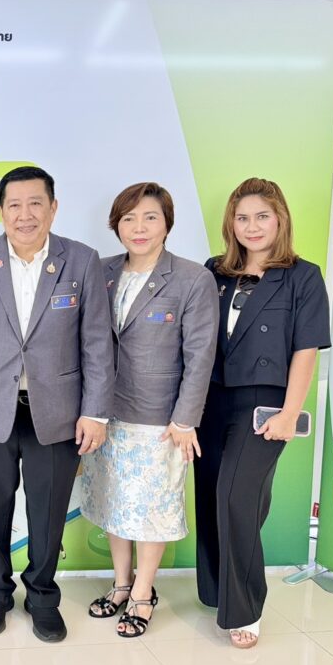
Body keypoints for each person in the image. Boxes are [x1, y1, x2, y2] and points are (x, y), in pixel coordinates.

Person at [0, 166, 114, 641]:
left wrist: (95, 412)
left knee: (48, 510)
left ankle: (42, 595)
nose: (25, 214)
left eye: (36, 203)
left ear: (53, 208)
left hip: (58, 413)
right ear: (1, 211)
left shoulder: (80, 260)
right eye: (14, 205)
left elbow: (96, 342)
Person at [195, 178, 330, 649]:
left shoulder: (303, 276)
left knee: (239, 497)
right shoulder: (214, 271)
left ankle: (245, 609)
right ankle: (216, 590)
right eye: (242, 217)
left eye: (262, 216)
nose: (252, 226)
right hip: (211, 399)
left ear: (280, 219)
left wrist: (291, 413)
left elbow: (306, 350)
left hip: (264, 402)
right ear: (231, 223)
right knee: (211, 495)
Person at [78, 183, 218, 637]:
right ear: (116, 225)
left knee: (150, 509)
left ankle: (143, 593)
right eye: (129, 218)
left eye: (150, 217)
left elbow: (201, 356)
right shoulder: (100, 271)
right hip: (103, 413)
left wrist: (185, 419)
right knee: (113, 502)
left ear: (167, 224)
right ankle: (120, 584)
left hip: (160, 419)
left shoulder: (192, 279)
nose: (138, 227)